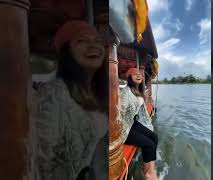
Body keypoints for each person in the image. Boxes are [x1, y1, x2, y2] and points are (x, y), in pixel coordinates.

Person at [29, 20, 107, 180]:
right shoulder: (53, 95)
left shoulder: (99, 91)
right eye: (82, 41)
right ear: (67, 52)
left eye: (98, 41)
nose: (94, 46)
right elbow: (40, 162)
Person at [120, 68, 158, 180]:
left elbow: (141, 112)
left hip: (132, 122)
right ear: (129, 77)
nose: (138, 75)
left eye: (140, 74)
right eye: (134, 74)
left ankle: (150, 167)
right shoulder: (125, 92)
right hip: (124, 127)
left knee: (154, 137)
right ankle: (149, 174)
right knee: (149, 144)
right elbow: (120, 111)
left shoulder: (138, 91)